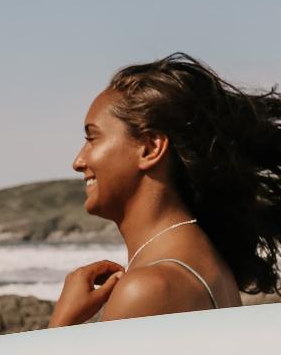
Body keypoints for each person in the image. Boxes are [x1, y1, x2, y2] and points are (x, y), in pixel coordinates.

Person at [49, 53, 281, 328]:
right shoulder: (202, 261)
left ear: (149, 148)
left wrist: (62, 324)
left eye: (92, 138)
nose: (78, 161)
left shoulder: (148, 288)